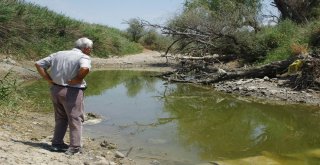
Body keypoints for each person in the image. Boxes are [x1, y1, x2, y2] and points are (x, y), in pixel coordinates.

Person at [35, 37, 93, 155]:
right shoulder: (83, 57)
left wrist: (49, 80)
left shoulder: (59, 54)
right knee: (75, 119)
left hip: (56, 89)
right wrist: (77, 79)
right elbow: (85, 68)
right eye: (90, 49)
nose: (90, 51)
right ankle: (75, 147)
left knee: (61, 117)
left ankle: (57, 144)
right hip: (72, 91)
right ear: (86, 48)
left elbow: (39, 64)